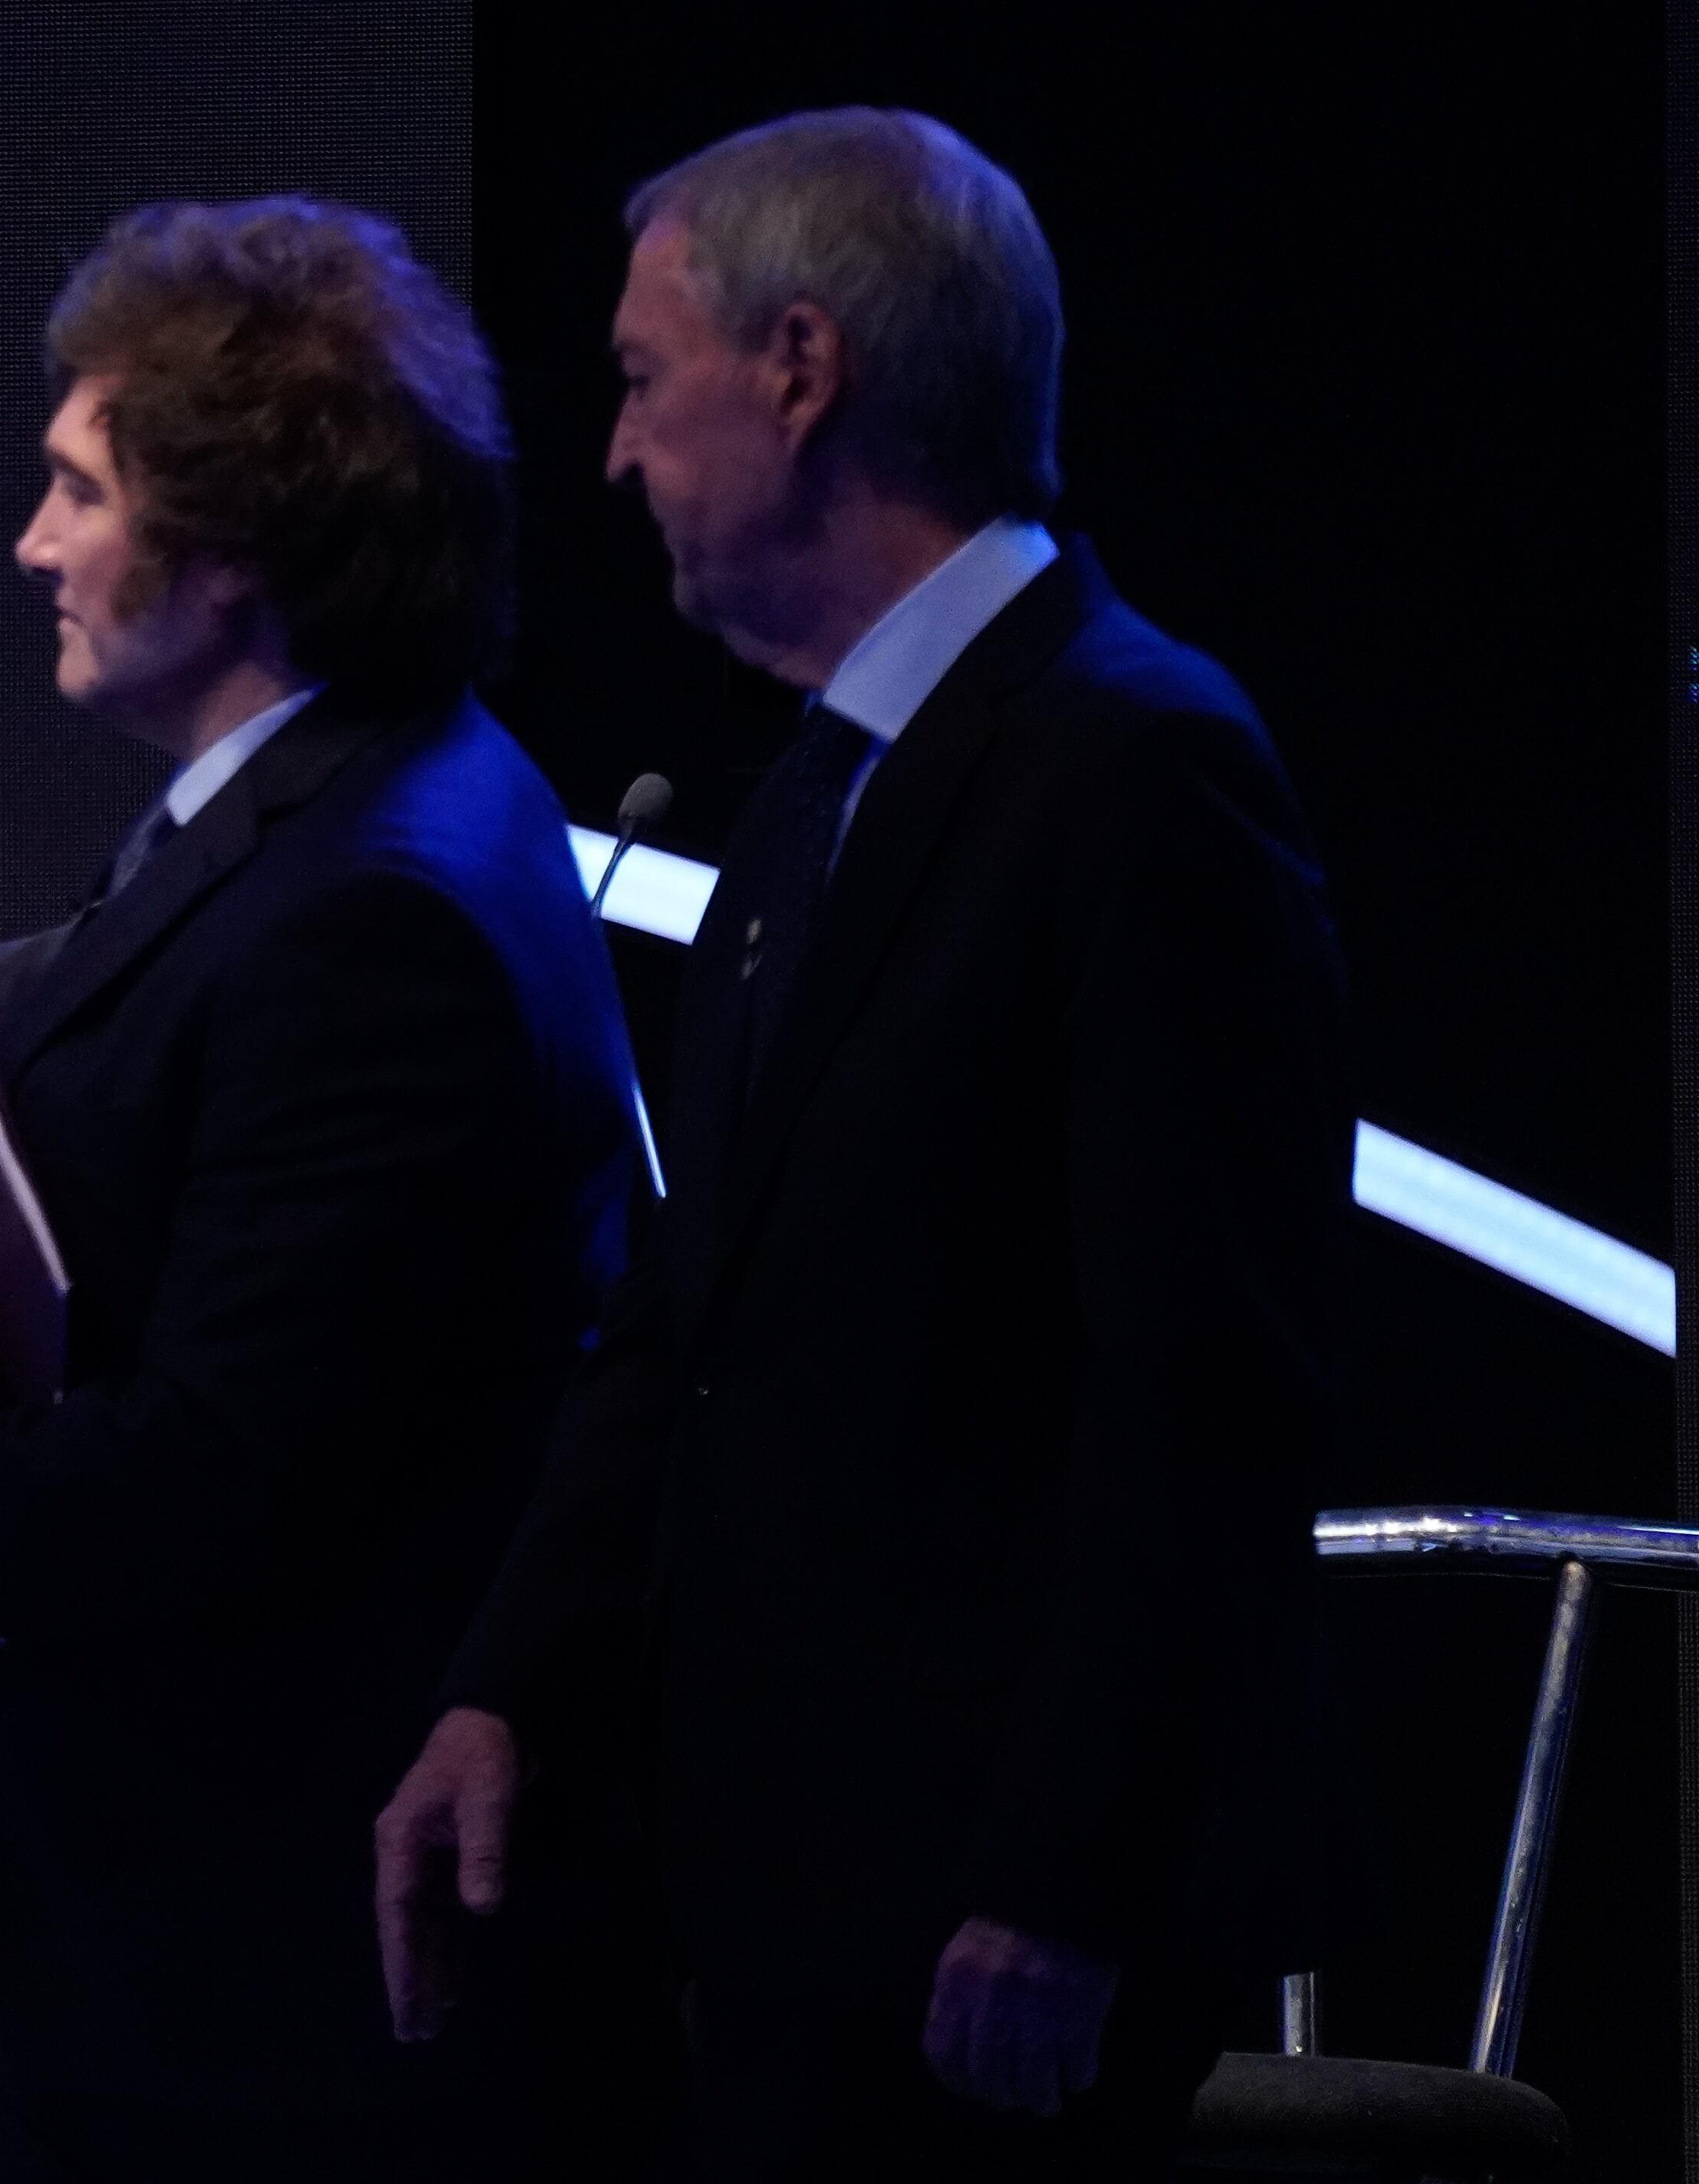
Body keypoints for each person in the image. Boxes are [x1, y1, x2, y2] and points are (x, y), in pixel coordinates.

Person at [373, 110, 1350, 2179]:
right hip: (768, 1910)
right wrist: (500, 1694)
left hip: (984, 1952)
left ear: (799, 369)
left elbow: (1203, 1384)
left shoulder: (1132, 762)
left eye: (641, 380)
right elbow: (682, 1324)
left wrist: (1062, 1875)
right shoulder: (820, 783)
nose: (615, 452)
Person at [0, 199, 638, 2180]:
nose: (32, 541)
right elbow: (134, 951)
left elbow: (218, 1474)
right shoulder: (362, 787)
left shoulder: (374, 910)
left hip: (260, 1988)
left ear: (236, 540)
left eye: (78, 489)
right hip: (202, 1956)